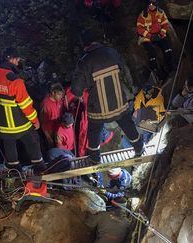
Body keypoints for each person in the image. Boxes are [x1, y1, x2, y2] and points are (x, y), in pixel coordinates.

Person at [71, 30, 143, 164]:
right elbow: (121, 69)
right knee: (127, 124)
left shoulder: (84, 61)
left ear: (85, 45)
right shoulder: (111, 52)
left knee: (94, 131)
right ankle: (139, 147)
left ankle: (94, 157)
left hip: (98, 108)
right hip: (118, 102)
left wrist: (80, 94)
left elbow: (76, 88)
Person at [0, 47, 45, 172]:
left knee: (9, 147)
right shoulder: (14, 81)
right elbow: (26, 105)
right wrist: (35, 121)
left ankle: (14, 172)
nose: (18, 63)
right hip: (19, 124)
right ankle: (39, 168)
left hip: (1, 125)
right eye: (17, 60)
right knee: (33, 142)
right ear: (12, 59)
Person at [137, 0, 174, 77]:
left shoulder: (161, 12)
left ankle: (170, 67)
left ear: (156, 4)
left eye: (153, 3)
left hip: (159, 35)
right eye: (149, 3)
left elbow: (165, 24)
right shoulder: (143, 15)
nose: (151, 5)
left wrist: (162, 33)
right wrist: (150, 36)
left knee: (167, 49)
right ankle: (155, 72)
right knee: (152, 52)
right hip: (147, 37)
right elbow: (139, 29)